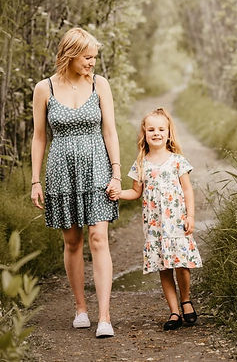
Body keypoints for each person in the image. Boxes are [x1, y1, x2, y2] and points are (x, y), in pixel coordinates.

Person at [31, 27, 121, 338]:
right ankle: (80, 307)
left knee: (98, 237)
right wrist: (34, 180)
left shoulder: (100, 85)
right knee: (73, 242)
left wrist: (116, 171)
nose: (92, 63)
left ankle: (105, 316)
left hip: (97, 168)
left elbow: (109, 131)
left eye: (94, 57)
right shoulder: (45, 89)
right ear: (70, 55)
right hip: (60, 171)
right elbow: (39, 137)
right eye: (87, 57)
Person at [120, 107, 202, 330]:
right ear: (144, 133)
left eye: (161, 129)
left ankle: (186, 300)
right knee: (163, 267)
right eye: (151, 129)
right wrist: (117, 193)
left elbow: (187, 190)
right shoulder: (141, 163)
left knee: (181, 265)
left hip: (176, 221)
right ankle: (174, 312)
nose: (156, 133)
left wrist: (191, 216)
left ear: (168, 133)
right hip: (155, 226)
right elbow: (136, 192)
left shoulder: (177, 161)